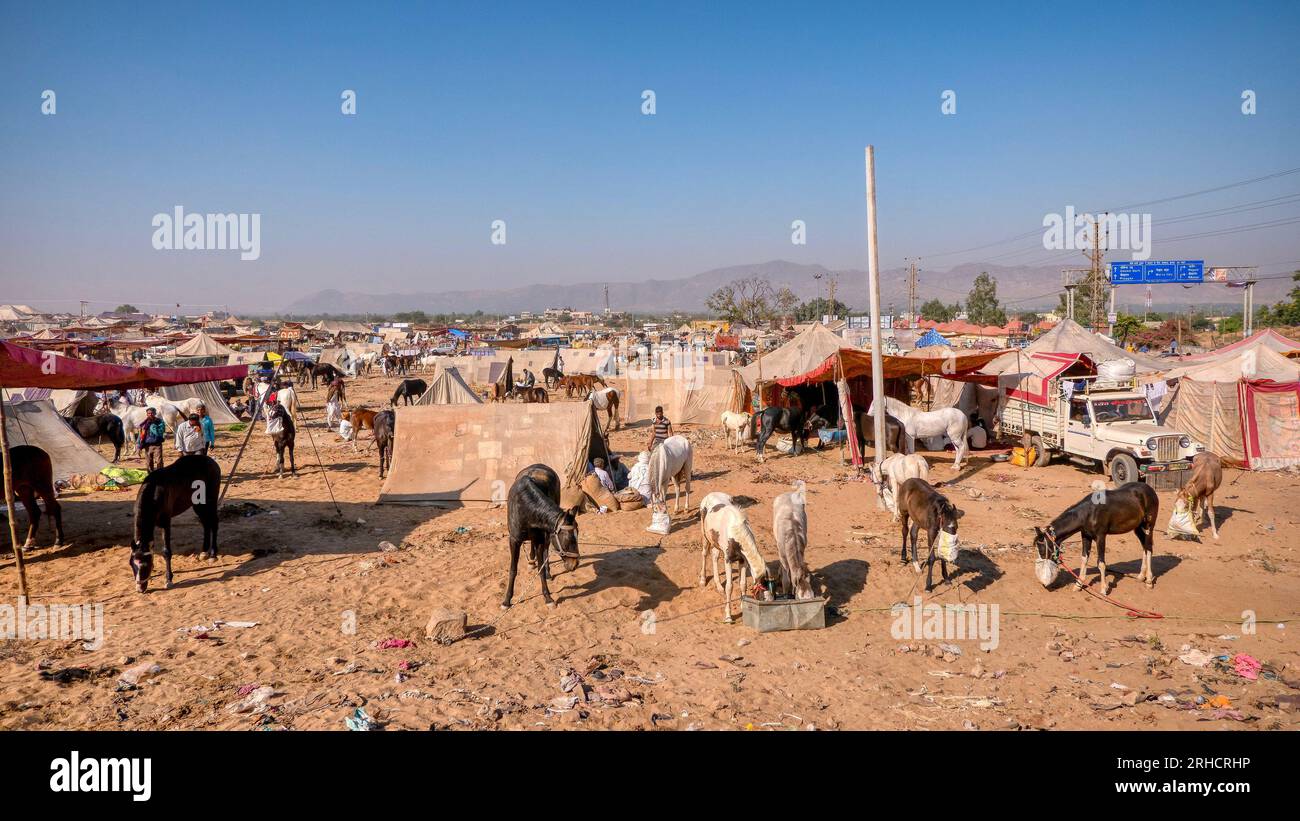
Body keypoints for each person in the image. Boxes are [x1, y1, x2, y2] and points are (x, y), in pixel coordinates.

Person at [138, 407, 166, 472]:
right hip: (147, 445)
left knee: (159, 462)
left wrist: (153, 426)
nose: (150, 414)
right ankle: (150, 475)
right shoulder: (144, 424)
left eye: (152, 413)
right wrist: (139, 446)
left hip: (157, 444)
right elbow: (141, 436)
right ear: (147, 414)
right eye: (148, 413)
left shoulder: (159, 421)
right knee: (149, 462)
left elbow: (161, 431)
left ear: (155, 413)